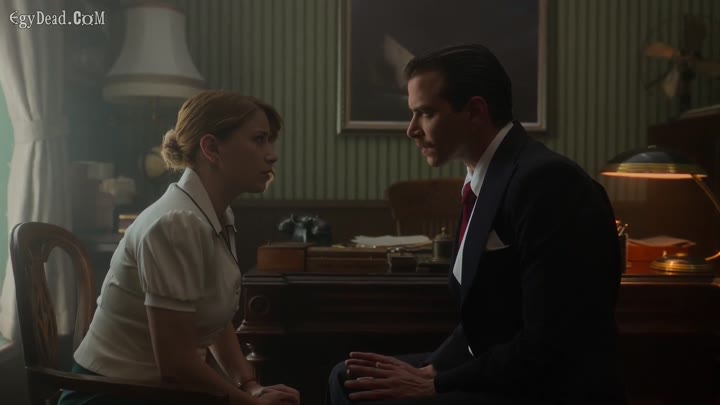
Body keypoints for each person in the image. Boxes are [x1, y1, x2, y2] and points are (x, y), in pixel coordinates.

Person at [327, 44, 625, 404]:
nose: (411, 130)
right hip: (503, 369)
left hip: (546, 387)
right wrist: (433, 369)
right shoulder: (484, 178)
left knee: (359, 392)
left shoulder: (547, 182)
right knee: (348, 377)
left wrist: (436, 384)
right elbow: (484, 322)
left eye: (425, 113)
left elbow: (551, 342)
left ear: (475, 111)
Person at [59, 91, 300, 405]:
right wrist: (251, 404)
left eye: (269, 141)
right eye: (259, 140)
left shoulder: (215, 214)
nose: (271, 155)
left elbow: (213, 320)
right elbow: (176, 367)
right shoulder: (176, 224)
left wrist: (250, 385)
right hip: (109, 396)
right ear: (211, 148)